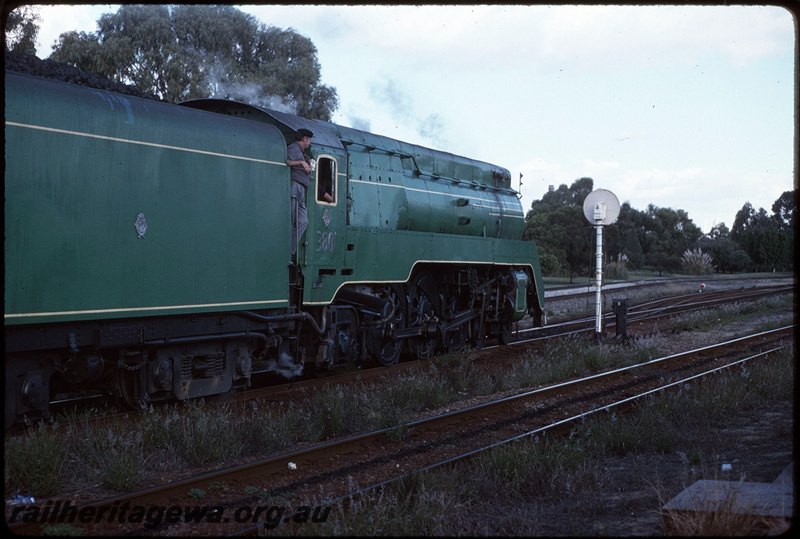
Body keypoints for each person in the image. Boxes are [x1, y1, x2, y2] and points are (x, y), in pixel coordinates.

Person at [287, 128, 314, 258]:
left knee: (303, 221)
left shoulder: (302, 152)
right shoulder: (293, 148)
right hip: (294, 186)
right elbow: (287, 162)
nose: (309, 143)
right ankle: (287, 251)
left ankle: (291, 250)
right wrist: (302, 162)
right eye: (309, 140)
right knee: (291, 219)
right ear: (305, 138)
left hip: (302, 189)